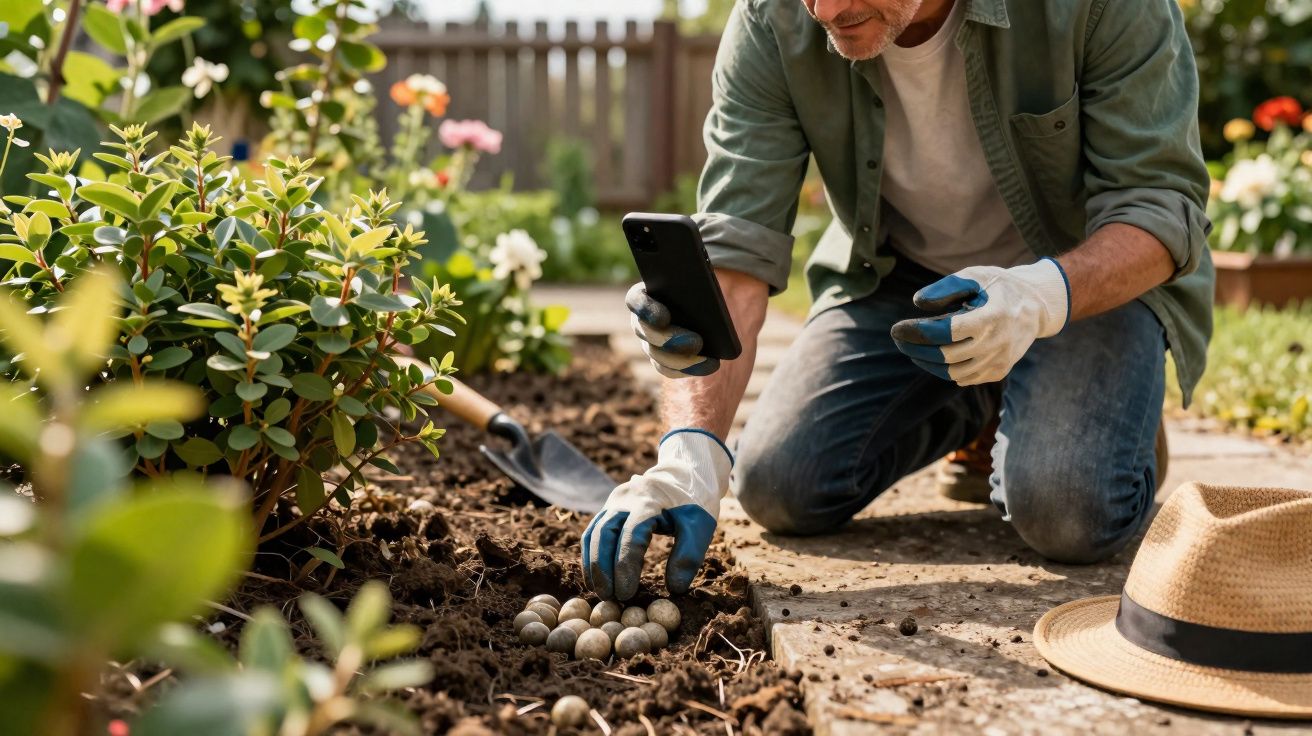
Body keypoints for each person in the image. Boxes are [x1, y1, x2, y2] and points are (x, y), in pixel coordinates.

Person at [582, 0, 1212, 602]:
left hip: (1079, 286)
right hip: (903, 280)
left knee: (1068, 510)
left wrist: (1036, 299)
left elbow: (1158, 210)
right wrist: (688, 457)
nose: (827, 12)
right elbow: (737, 256)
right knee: (779, 486)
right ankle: (988, 402)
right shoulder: (771, 20)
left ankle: (1102, 416)